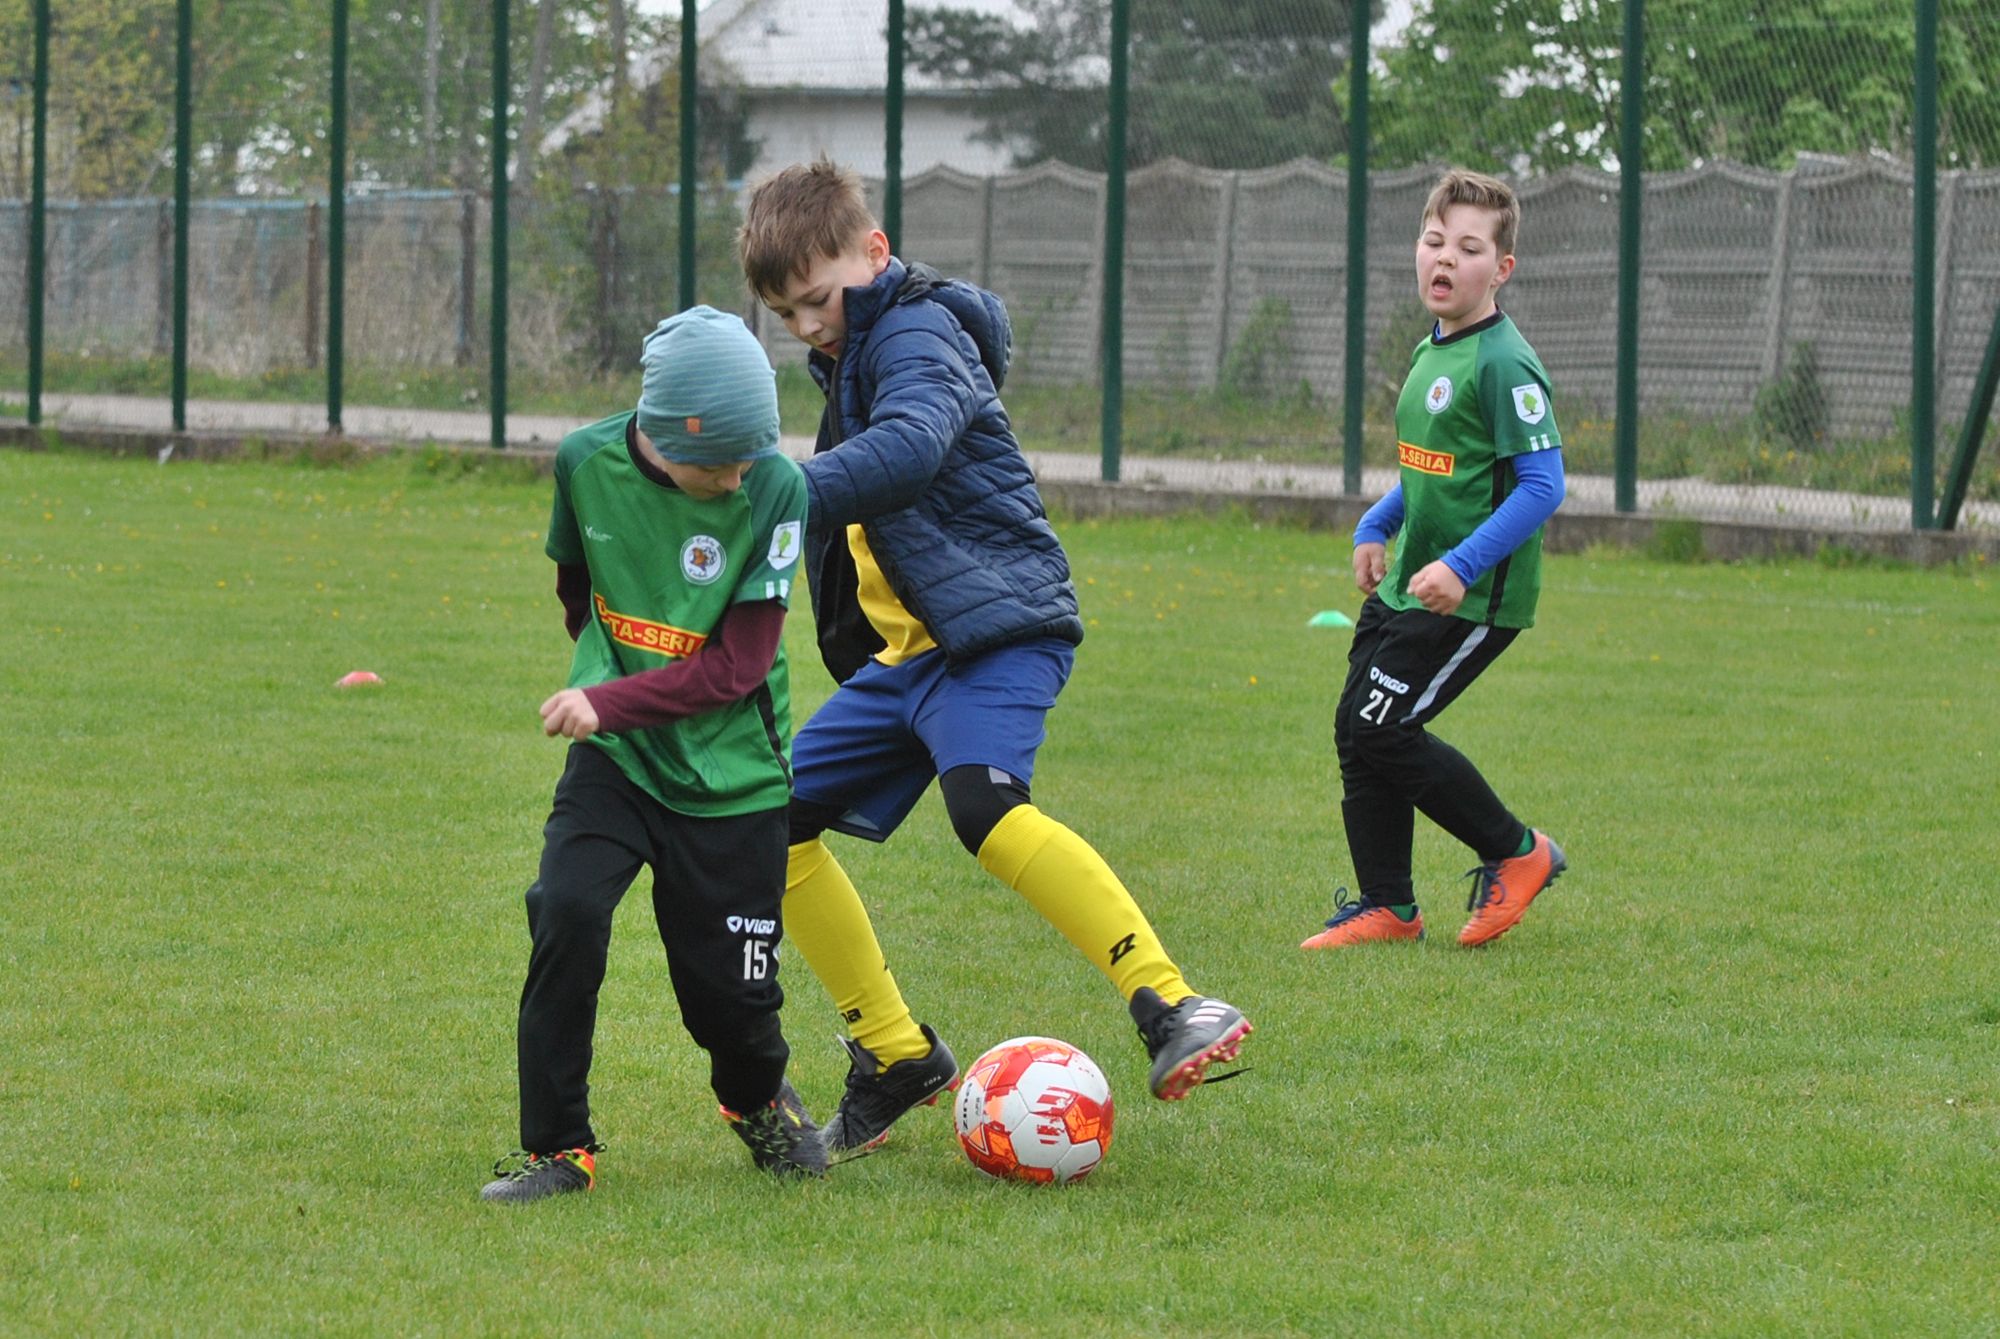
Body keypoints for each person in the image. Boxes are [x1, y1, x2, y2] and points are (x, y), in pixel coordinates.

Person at [737, 158, 1251, 1156]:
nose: (805, 326)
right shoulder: (852, 348)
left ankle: (1171, 1002)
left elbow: (910, 449)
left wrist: (779, 490)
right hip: (909, 659)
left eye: (817, 300)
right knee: (770, 822)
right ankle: (894, 1053)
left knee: (983, 806)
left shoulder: (916, 330)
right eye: (786, 314)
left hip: (996, 630)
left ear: (874, 252)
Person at [481, 306, 825, 1202]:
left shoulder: (777, 488)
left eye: (749, 457)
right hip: (621, 762)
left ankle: (755, 1100)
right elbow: (577, 586)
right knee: (565, 909)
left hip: (736, 778)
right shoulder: (583, 463)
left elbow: (738, 667)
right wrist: (605, 681)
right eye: (719, 462)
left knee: (730, 1003)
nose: (737, 476)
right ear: (665, 436)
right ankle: (559, 1148)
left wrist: (606, 698)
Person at [1301, 168, 1568, 953]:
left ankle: (1519, 851)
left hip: (1473, 595)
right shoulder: (1430, 351)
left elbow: (1543, 485)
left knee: (1384, 726)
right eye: (1434, 240)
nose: (1445, 258)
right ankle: (1389, 905)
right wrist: (1375, 524)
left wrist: (1460, 566)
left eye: (1469, 248)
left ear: (1502, 268)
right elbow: (1431, 470)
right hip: (1411, 582)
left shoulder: (1503, 363)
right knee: (1357, 728)